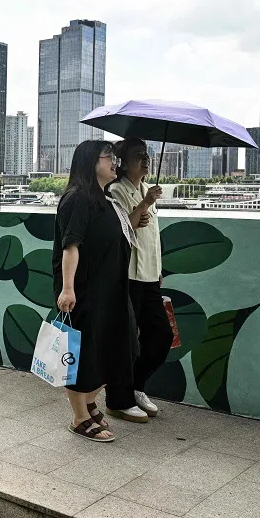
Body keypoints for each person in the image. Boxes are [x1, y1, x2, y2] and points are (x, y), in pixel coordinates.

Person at [53, 141, 138, 442]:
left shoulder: (103, 199)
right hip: (84, 291)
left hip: (110, 290)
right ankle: (79, 417)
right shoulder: (78, 198)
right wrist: (67, 289)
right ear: (91, 162)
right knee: (83, 353)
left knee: (117, 347)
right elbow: (71, 245)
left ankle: (89, 403)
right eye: (109, 157)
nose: (116, 162)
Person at [105, 138, 173, 423]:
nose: (145, 161)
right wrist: (144, 204)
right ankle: (117, 399)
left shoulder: (148, 190)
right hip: (127, 276)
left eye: (146, 156)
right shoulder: (116, 190)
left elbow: (150, 237)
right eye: (137, 157)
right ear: (122, 163)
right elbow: (121, 231)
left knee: (162, 336)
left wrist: (158, 269)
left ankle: (136, 387)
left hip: (149, 277)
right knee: (126, 340)